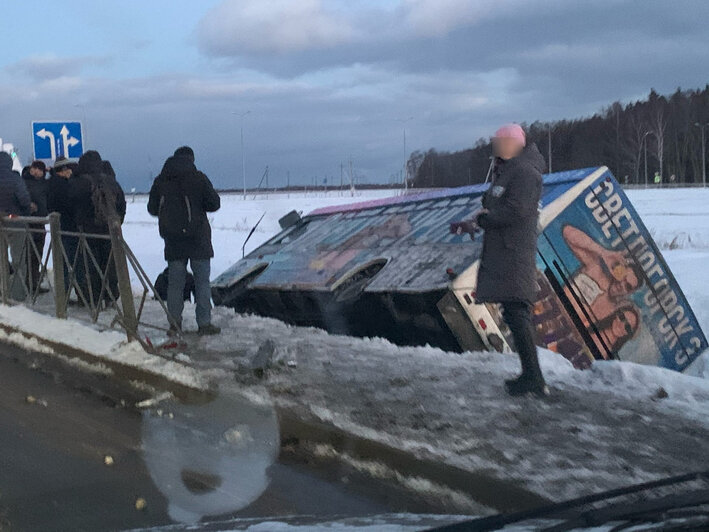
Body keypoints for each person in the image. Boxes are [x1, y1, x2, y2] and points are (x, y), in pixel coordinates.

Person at [450, 123, 548, 397]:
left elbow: (517, 211)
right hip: (506, 251)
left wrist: (485, 219)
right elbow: (493, 199)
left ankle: (534, 378)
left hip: (514, 252)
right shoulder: (510, 171)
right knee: (514, 313)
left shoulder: (525, 173)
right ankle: (531, 375)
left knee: (517, 312)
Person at [148, 147, 221, 335]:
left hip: (173, 241)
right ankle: (204, 323)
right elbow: (214, 204)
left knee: (175, 284)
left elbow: (152, 208)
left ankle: (174, 324)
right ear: (191, 159)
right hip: (199, 239)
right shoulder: (198, 178)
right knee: (202, 282)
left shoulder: (161, 181)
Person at [70, 151, 126, 306]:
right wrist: (118, 222)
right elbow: (121, 204)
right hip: (109, 230)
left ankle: (93, 299)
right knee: (109, 264)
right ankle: (111, 296)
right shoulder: (111, 181)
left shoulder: (78, 182)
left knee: (90, 265)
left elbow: (68, 204)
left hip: (86, 230)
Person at [0, 152, 32, 300]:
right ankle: (17, 294)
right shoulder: (14, 178)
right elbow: (24, 200)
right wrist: (24, 214)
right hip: (14, 220)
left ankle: (2, 291)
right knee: (18, 258)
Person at [22, 161, 49, 293]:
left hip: (40, 223)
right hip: (27, 223)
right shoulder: (24, 182)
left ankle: (34, 283)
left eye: (40, 169)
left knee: (37, 255)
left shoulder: (45, 183)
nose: (37, 171)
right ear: (31, 169)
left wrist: (52, 171)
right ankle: (26, 283)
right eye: (35, 168)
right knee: (27, 255)